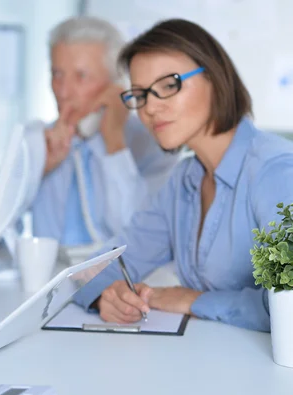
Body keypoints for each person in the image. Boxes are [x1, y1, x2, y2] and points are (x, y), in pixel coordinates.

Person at [73, 18, 293, 332]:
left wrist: (191, 300)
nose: (150, 107)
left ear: (216, 79)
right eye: (140, 94)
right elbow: (95, 271)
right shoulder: (183, 181)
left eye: (169, 85)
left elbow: (289, 305)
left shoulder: (276, 171)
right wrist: (105, 296)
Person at [0, 17, 180, 247]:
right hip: (51, 279)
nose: (63, 91)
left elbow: (139, 234)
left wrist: (114, 142)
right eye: (57, 74)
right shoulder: (41, 142)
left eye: (81, 76)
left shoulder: (152, 143)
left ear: (115, 84)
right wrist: (35, 170)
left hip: (123, 280)